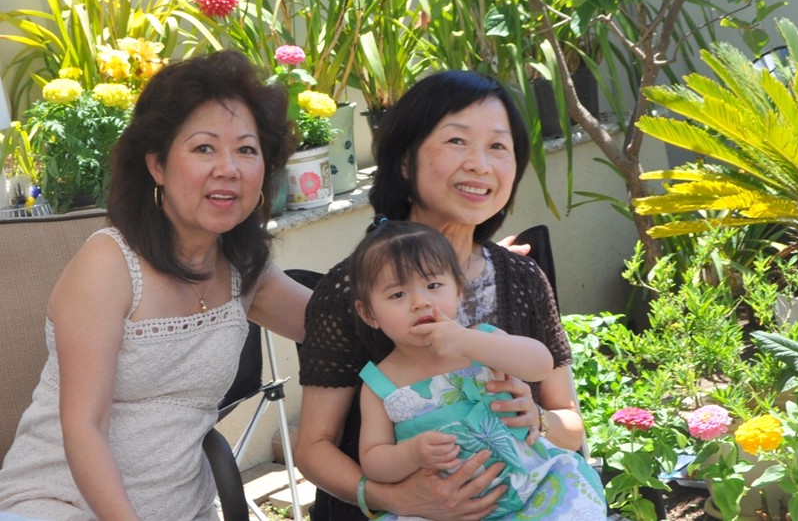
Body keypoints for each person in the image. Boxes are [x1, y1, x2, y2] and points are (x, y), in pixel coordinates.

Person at [0, 50, 311, 520]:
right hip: (58, 504)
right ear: (157, 166)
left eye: (247, 150)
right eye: (204, 148)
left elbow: (340, 325)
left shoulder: (243, 267)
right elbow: (84, 427)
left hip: (183, 510)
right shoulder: (109, 264)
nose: (228, 168)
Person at [296, 70, 587, 521]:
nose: (480, 164)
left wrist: (539, 421)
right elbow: (314, 448)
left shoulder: (521, 279)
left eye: (498, 146)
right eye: (457, 141)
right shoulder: (348, 291)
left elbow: (569, 422)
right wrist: (396, 498)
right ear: (405, 160)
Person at [352, 219, 606, 520]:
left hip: (532, 489)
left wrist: (468, 342)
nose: (420, 302)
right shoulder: (380, 383)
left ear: (458, 291)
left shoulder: (482, 341)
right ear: (369, 313)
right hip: (444, 510)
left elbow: (540, 363)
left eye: (433, 286)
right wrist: (411, 454)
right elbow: (374, 461)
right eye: (398, 295)